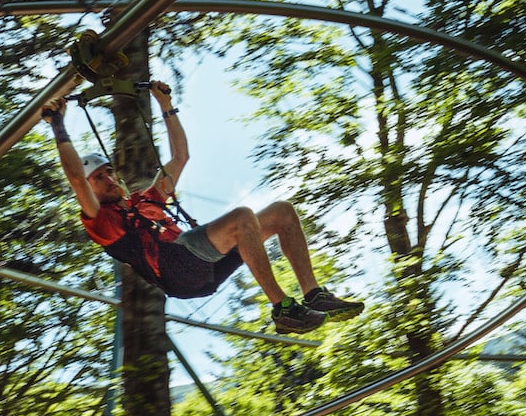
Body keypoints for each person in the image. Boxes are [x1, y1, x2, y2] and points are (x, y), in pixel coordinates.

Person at [42, 81, 363, 334]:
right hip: (175, 266)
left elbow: (180, 157)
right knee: (242, 218)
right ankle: (283, 309)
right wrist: (58, 125)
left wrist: (166, 105)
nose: (109, 178)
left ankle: (313, 293)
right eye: (99, 178)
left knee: (282, 211)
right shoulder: (100, 219)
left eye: (109, 170)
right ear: (91, 189)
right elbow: (75, 177)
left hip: (201, 272)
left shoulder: (144, 201)